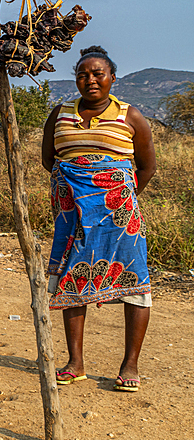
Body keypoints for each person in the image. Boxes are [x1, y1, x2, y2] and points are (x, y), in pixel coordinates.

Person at [41, 45, 156, 392]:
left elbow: (147, 167)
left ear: (111, 78)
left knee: (135, 280)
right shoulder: (59, 113)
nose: (89, 79)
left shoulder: (130, 115)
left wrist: (114, 192)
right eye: (82, 74)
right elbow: (50, 159)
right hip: (72, 213)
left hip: (119, 215)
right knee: (73, 277)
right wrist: (78, 186)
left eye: (97, 73)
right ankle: (75, 364)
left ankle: (130, 364)